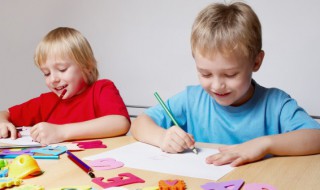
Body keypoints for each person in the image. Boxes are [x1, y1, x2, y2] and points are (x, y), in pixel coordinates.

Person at [131, 2, 320, 166]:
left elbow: (316, 137)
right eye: (205, 73)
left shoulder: (275, 104)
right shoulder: (191, 99)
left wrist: (263, 144)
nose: (216, 85)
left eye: (230, 74)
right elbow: (140, 123)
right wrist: (162, 137)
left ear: (256, 62)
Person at [0, 27, 130, 145]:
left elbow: (120, 122)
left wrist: (61, 132)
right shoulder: (45, 102)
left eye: (62, 69)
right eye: (46, 73)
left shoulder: (101, 89)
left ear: (87, 67)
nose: (53, 79)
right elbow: (5, 113)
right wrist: (3, 123)